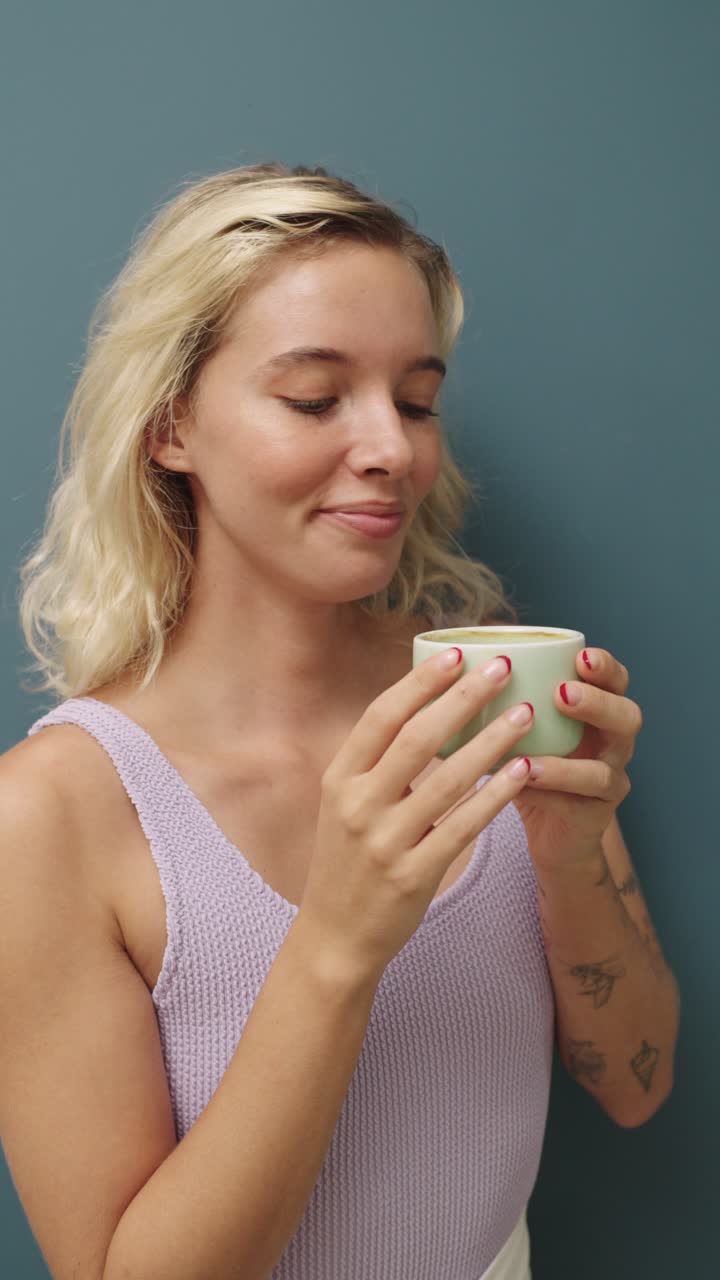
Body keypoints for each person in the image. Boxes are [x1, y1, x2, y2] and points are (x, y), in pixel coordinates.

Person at [0, 163, 678, 1280]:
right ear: (171, 426)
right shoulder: (56, 812)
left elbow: (638, 1079)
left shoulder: (492, 693)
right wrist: (337, 941)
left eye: (416, 399)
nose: (393, 449)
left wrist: (565, 857)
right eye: (316, 397)